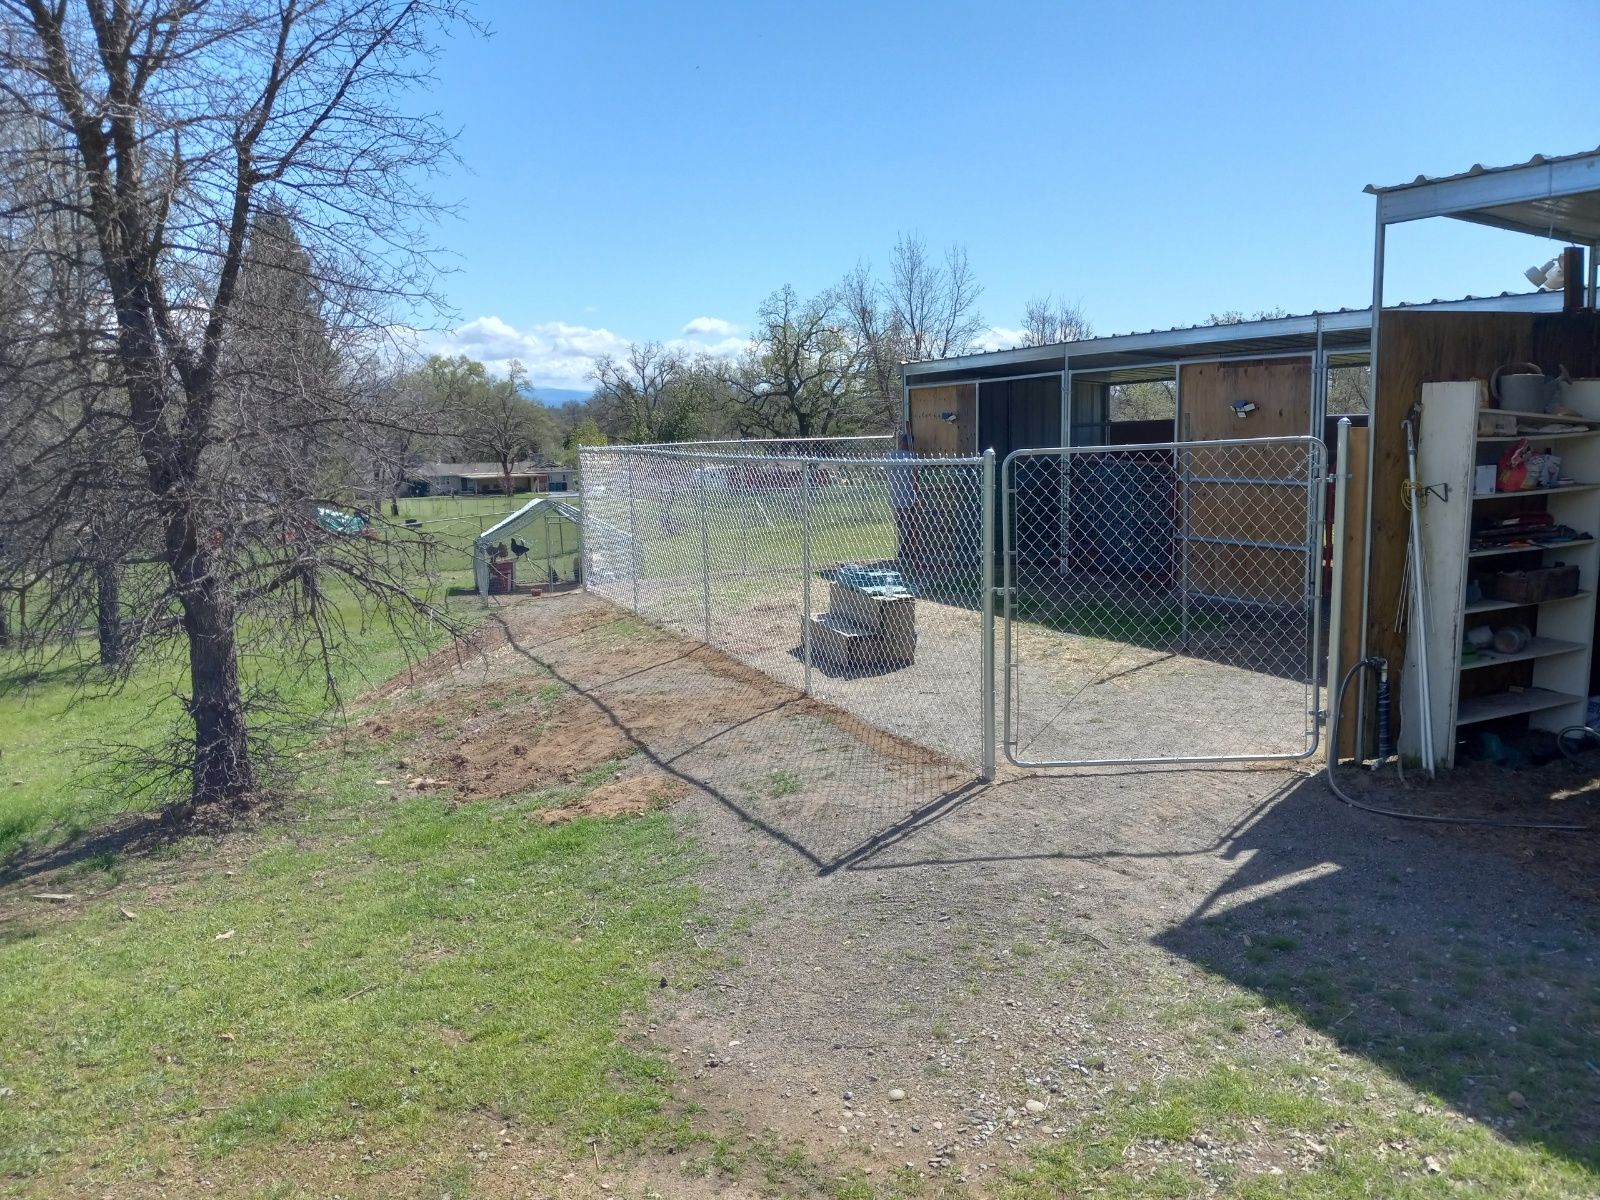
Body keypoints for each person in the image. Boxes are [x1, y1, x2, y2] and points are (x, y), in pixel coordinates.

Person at [887, 429, 919, 566]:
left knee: (900, 524)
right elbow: (916, 475)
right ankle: (904, 549)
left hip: (894, 494)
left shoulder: (890, 456)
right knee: (908, 524)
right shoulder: (912, 457)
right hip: (908, 495)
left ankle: (904, 549)